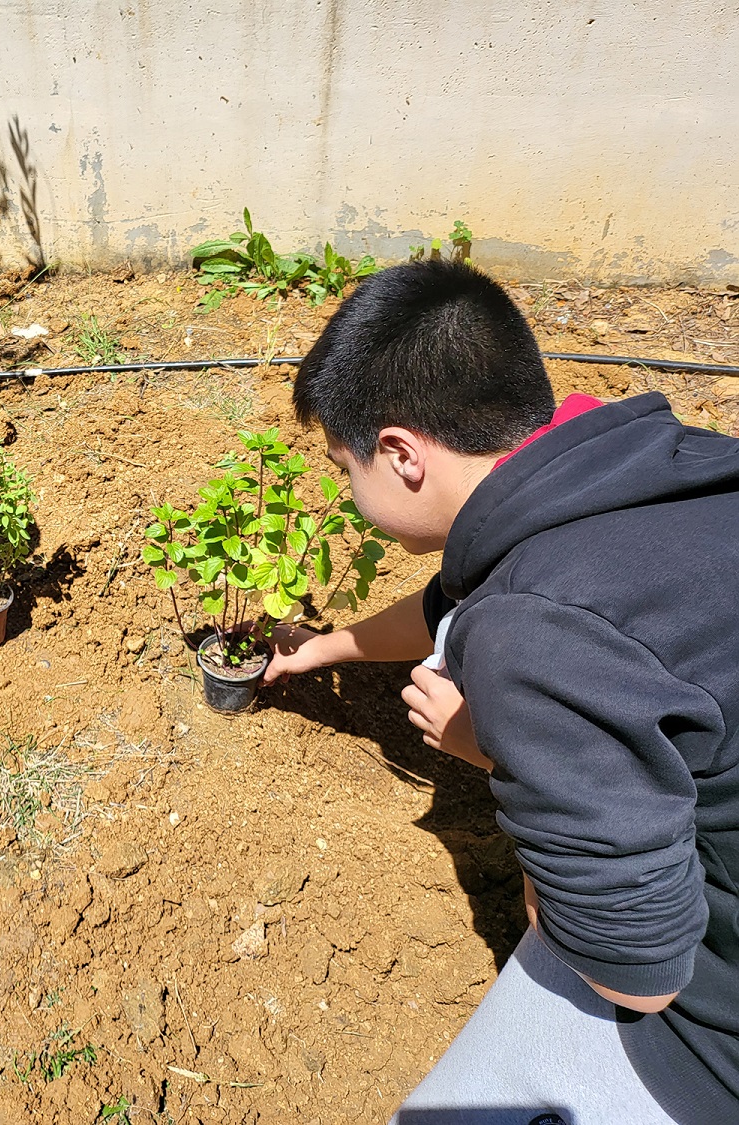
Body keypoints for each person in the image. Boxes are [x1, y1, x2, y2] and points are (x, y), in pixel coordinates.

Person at [265, 260, 739, 1125]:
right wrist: (324, 647)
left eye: (346, 468)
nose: (346, 491)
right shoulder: (636, 465)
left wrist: (492, 746)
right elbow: (461, 587)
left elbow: (637, 972)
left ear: (402, 454)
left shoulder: (531, 636)